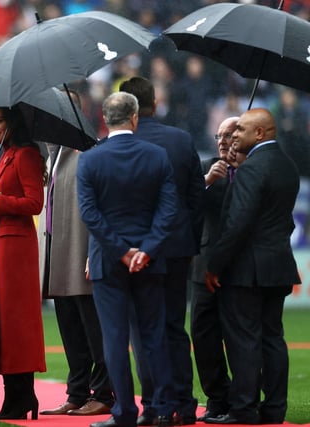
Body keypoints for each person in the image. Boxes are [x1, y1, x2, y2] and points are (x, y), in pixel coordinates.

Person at [76, 92, 178, 427]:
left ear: (104, 119)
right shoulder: (157, 156)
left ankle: (124, 413)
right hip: (150, 262)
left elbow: (90, 215)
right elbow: (168, 210)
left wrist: (121, 251)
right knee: (153, 335)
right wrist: (145, 250)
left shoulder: (90, 160)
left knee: (115, 339)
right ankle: (163, 409)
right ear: (135, 117)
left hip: (108, 261)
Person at [205, 108, 300, 425]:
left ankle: (244, 408)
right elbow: (285, 223)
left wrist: (215, 265)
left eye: (242, 130)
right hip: (278, 266)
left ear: (260, 133)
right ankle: (274, 409)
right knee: (273, 339)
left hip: (246, 272)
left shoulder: (251, 169)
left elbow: (237, 225)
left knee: (244, 340)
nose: (235, 136)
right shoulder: (287, 166)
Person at [119, 76, 204, 425]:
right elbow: (196, 199)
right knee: (173, 326)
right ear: (155, 102)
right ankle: (183, 404)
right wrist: (189, 242)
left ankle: (154, 404)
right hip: (178, 248)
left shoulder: (121, 144)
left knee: (143, 329)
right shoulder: (181, 140)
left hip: (137, 251)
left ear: (129, 107)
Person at [38, 90, 114, 417]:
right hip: (58, 249)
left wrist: (93, 251)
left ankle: (104, 393)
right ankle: (77, 391)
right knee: (70, 327)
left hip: (81, 252)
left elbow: (102, 209)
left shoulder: (90, 150)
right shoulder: (54, 154)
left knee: (93, 327)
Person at [0, 106, 46, 420]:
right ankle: (20, 396)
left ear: (13, 123)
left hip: (17, 249)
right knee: (6, 322)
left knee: (16, 322)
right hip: (3, 246)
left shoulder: (25, 155)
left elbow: (35, 203)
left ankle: (19, 398)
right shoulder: (6, 156)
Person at [189, 117, 238, 422]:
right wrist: (206, 181)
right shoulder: (205, 167)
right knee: (203, 334)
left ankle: (244, 396)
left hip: (240, 267)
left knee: (240, 336)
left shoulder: (251, 170)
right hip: (204, 266)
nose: (222, 142)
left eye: (229, 136)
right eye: (219, 136)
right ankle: (216, 397)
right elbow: (185, 205)